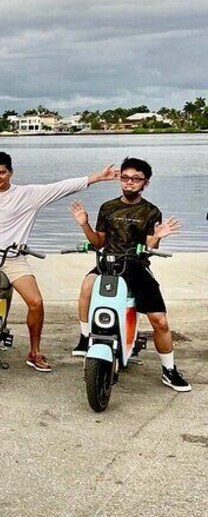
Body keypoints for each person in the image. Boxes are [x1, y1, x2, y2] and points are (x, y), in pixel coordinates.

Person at [0, 151, 118, 372]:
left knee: (36, 302)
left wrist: (98, 177)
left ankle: (34, 352)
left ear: (10, 173)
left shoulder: (28, 195)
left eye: (2, 172)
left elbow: (62, 187)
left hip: (12, 260)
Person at [69, 157, 190, 392]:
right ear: (120, 179)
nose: (129, 182)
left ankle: (169, 369)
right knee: (87, 285)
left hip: (135, 266)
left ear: (145, 183)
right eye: (125, 178)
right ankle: (85, 338)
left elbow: (150, 247)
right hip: (108, 264)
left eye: (136, 179)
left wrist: (157, 237)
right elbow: (99, 242)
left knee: (160, 321)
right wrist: (84, 225)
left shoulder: (151, 211)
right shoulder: (108, 207)